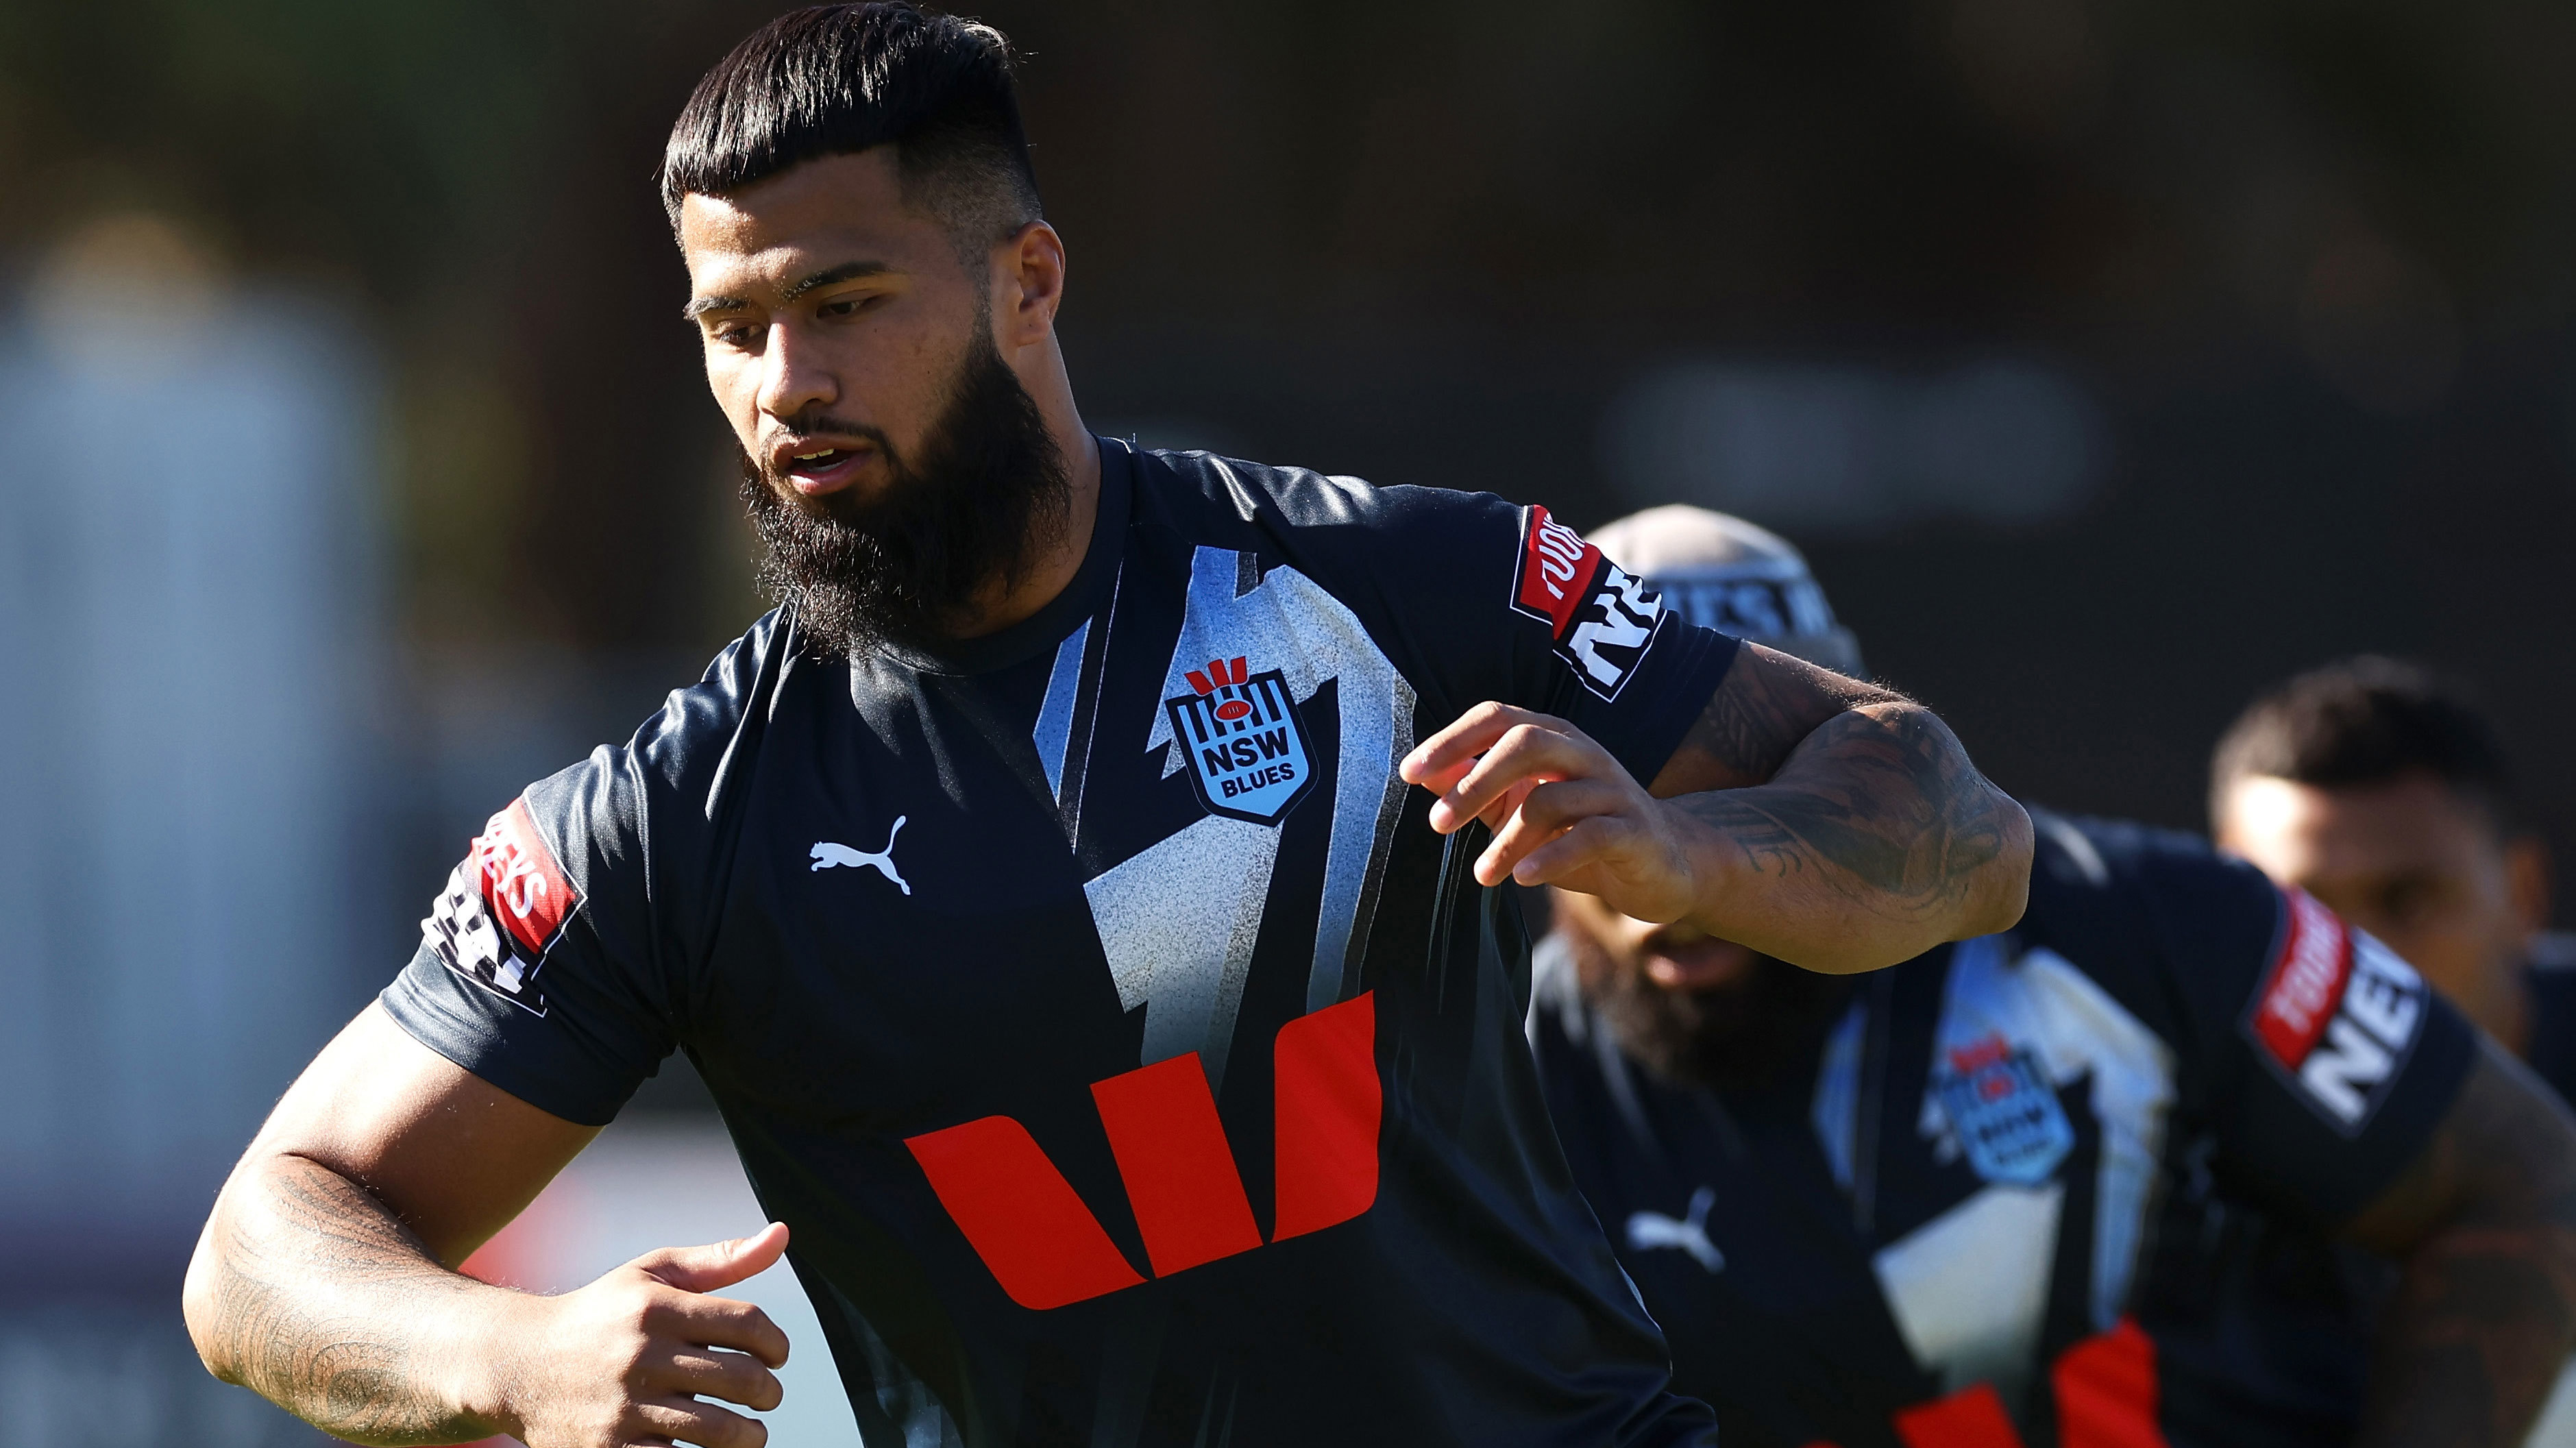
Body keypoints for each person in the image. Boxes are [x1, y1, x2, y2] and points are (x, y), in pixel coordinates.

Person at [178, 9, 2033, 1447]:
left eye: (842, 302)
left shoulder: (1388, 588)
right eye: (728, 326)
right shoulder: (677, 820)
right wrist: (519, 1351)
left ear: (1028, 281)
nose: (783, 386)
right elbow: (262, 1246)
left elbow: (1950, 828)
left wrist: (1687, 854)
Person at [1530, 504, 2576, 1448]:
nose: (1659, 866)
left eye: (1730, 781)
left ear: (1847, 764)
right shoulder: (1474, 1070)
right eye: (1609, 791)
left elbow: (2516, 1180)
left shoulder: (2156, 931)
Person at [2211, 658, 2575, 1099]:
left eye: (2407, 904)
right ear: (2224, 910)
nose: (2360, 965)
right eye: (2303, 921)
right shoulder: (2163, 1097)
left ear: (2524, 895)